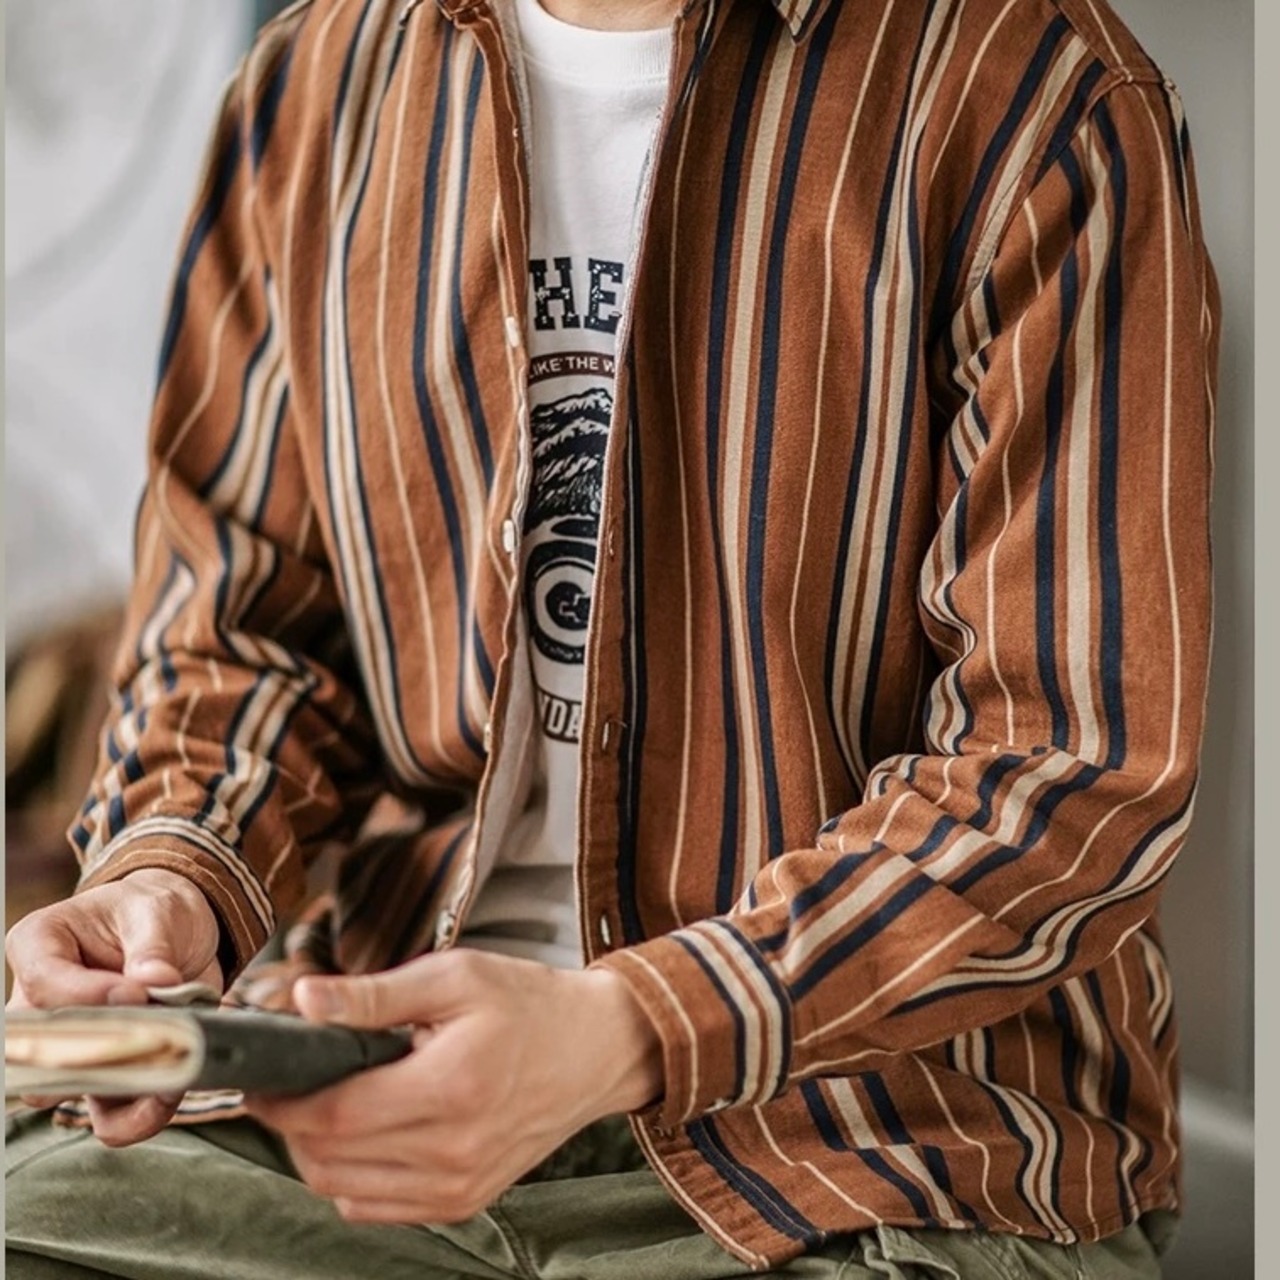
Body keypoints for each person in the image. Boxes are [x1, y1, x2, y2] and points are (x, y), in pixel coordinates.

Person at [5, 0, 1219, 1275]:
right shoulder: (316, 83)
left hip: (880, 1148)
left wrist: (627, 1027)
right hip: (361, 1095)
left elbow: (1063, 770)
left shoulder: (1037, 94)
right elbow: (244, 636)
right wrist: (168, 882)